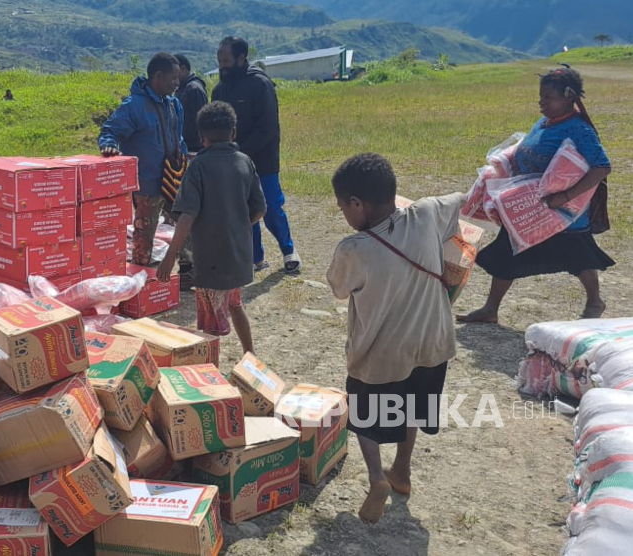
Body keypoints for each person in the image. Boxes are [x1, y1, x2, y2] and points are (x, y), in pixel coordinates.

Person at [327, 153, 464, 524]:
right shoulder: (427, 212)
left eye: (343, 207)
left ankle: (377, 477)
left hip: (381, 354)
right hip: (434, 341)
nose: (344, 213)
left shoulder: (354, 249)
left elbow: (340, 289)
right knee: (415, 406)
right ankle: (401, 470)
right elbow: (466, 198)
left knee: (367, 416)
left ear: (357, 204)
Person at [458, 67, 613, 324]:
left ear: (568, 97)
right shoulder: (545, 121)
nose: (541, 102)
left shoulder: (579, 130)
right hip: (530, 209)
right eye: (540, 97)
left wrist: (564, 197)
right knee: (507, 252)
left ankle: (595, 301)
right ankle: (490, 309)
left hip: (562, 215)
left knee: (579, 257)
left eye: (547, 98)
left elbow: (601, 167)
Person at [157, 101, 266, 354]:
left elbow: (187, 217)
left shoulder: (198, 166)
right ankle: (250, 356)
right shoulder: (245, 162)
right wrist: (236, 225)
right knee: (235, 305)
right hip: (238, 256)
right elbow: (260, 209)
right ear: (234, 133)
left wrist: (169, 257)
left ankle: (209, 376)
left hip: (210, 259)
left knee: (208, 326)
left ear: (202, 138)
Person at [98, 52, 194, 290]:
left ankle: (189, 271)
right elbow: (110, 130)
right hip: (147, 183)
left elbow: (178, 137)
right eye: (172, 78)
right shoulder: (134, 106)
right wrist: (109, 145)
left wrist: (184, 161)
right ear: (157, 76)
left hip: (174, 178)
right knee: (144, 235)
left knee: (187, 222)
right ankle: (142, 281)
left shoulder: (174, 104)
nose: (177, 82)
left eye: (178, 78)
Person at [212, 36, 301, 275]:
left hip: (263, 161)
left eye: (226, 61)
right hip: (232, 163)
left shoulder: (261, 84)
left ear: (242, 58)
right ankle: (255, 258)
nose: (222, 66)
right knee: (244, 211)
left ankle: (289, 251)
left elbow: (267, 128)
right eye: (219, 61)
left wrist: (239, 151)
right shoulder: (220, 89)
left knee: (271, 207)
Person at [173, 53, 208, 154]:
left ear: (182, 69)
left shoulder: (193, 89)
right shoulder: (182, 88)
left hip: (194, 148)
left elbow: (201, 120)